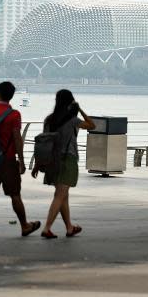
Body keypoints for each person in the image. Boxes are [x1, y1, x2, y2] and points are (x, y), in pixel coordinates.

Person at [0, 81, 41, 239]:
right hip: (7, 160)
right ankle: (25, 226)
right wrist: (21, 160)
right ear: (11, 96)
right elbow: (17, 138)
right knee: (15, 195)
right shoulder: (14, 115)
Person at [32, 89, 95, 238]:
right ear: (70, 102)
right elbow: (92, 125)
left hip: (52, 160)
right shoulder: (73, 120)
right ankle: (47, 228)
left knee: (63, 195)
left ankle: (69, 227)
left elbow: (44, 142)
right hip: (67, 160)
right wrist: (79, 109)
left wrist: (37, 163)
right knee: (60, 195)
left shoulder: (49, 120)